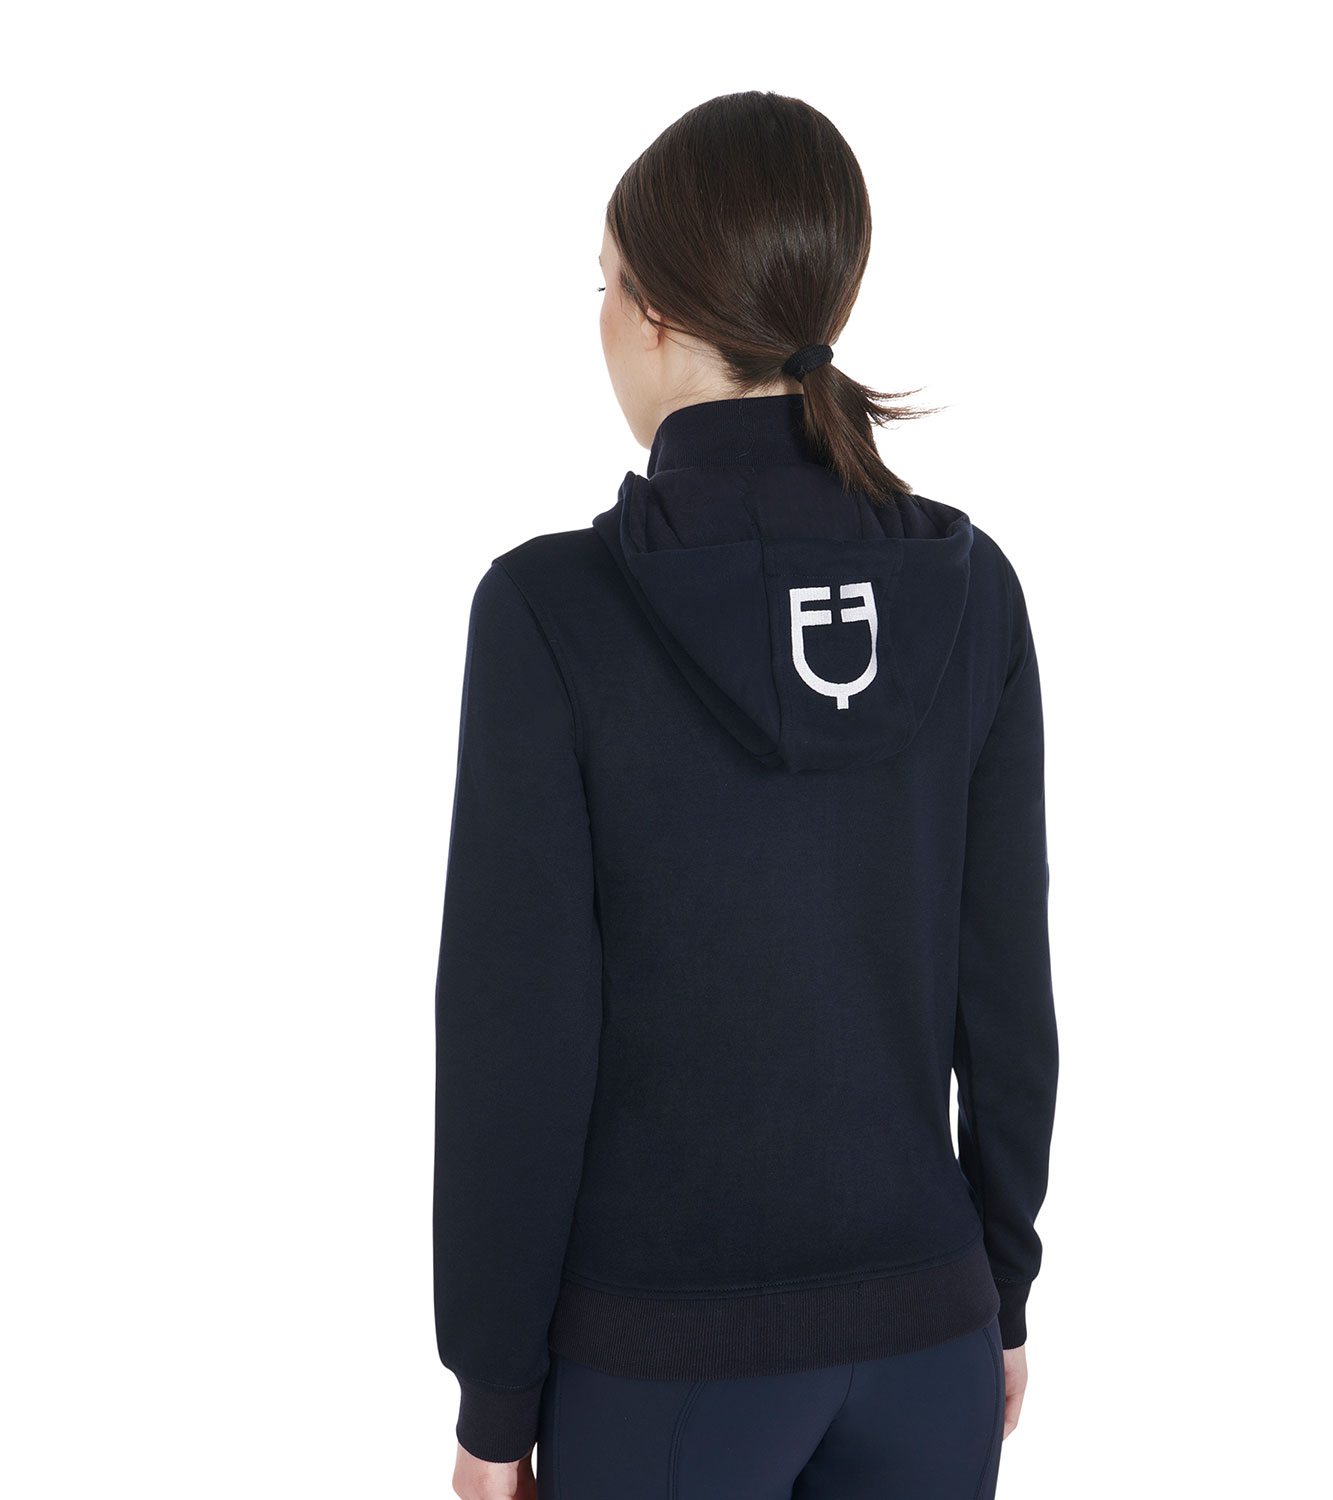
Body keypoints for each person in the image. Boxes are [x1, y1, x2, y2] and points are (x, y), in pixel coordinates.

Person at [432, 90, 1060, 1500]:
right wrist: (1001, 1291)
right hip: (931, 1342)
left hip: (662, 1364)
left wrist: (494, 1393)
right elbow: (1007, 992)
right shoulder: (974, 593)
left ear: (655, 314)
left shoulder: (549, 614)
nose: (603, 320)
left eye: (606, 286)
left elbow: (516, 1042)